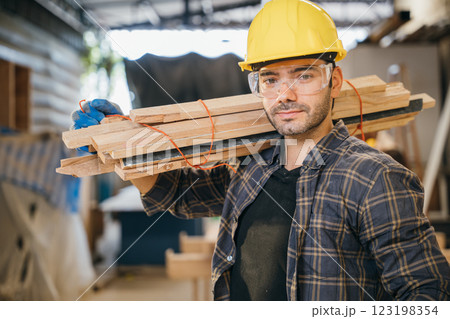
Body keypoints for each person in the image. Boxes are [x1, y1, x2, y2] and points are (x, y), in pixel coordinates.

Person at [72, 0, 450, 301]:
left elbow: (428, 297)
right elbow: (176, 193)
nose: (285, 94)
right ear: (258, 87)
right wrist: (122, 141)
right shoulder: (252, 166)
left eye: (304, 75)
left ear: (334, 81)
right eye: (271, 79)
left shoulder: (374, 178)